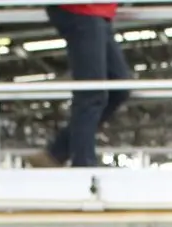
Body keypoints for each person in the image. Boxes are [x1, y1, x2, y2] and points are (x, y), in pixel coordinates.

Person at [28, 3, 132, 168]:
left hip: (95, 11)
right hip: (82, 9)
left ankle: (57, 152)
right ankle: (83, 164)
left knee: (118, 88)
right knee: (91, 92)